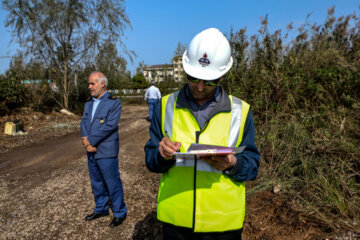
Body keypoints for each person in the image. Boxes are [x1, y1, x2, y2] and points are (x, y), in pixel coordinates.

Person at [144, 28, 260, 239]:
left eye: (210, 81)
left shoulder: (241, 112)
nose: (199, 86)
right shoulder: (164, 107)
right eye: (193, 77)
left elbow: (252, 165)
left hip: (223, 225)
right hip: (176, 222)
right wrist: (161, 155)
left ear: (223, 74)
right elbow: (151, 161)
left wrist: (234, 164)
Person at [80, 72, 127, 228]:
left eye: (92, 84)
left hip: (106, 149)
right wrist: (86, 142)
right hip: (91, 149)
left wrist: (91, 140)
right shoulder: (88, 103)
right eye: (89, 84)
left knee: (112, 182)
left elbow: (110, 125)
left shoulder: (114, 102)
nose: (89, 87)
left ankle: (120, 212)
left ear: (102, 84)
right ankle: (101, 209)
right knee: (96, 182)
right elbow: (84, 123)